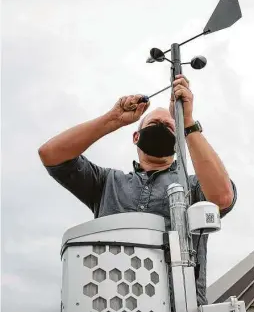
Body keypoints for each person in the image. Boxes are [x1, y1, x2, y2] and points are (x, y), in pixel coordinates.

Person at [38, 74, 237, 306]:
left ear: (178, 140)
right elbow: (51, 154)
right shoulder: (106, 183)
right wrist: (113, 119)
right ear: (136, 136)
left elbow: (222, 197)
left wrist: (188, 122)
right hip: (109, 302)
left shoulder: (191, 186)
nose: (161, 127)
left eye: (170, 127)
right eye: (153, 124)